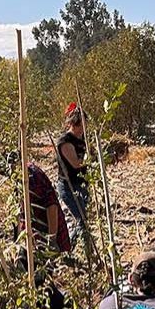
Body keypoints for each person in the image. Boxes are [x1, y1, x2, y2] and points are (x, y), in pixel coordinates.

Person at [55, 103, 90, 243]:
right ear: (73, 124)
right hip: (69, 187)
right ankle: (80, 248)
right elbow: (76, 164)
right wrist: (92, 159)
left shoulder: (84, 139)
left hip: (82, 185)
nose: (83, 129)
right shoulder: (65, 142)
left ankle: (70, 247)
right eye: (80, 125)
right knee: (82, 220)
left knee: (82, 220)